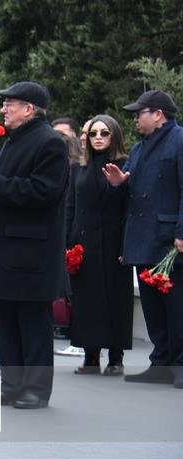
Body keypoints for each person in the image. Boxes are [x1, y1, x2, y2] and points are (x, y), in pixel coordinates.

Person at [0, 82, 69, 410]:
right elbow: (4, 187)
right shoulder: (10, 143)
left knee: (32, 322)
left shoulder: (50, 142)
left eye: (10, 104)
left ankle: (36, 390)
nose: (3, 110)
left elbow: (45, 192)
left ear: (29, 109)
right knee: (3, 320)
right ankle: (11, 386)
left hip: (31, 250)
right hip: (4, 246)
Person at [105, 90, 183, 387]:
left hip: (168, 239)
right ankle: (160, 362)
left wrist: (181, 232)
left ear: (158, 114)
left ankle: (179, 363)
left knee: (176, 305)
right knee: (152, 306)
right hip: (143, 238)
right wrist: (117, 184)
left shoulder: (179, 140)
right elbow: (129, 190)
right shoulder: (139, 149)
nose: (135, 118)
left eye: (140, 113)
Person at [66, 114, 132, 376]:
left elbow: (128, 206)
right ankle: (90, 355)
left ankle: (116, 357)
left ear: (114, 135)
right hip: (83, 242)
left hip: (114, 241)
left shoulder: (124, 164)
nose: (98, 138)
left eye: (104, 133)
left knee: (116, 298)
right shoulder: (78, 167)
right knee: (86, 300)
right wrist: (67, 242)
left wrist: (118, 186)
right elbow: (71, 206)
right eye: (93, 134)